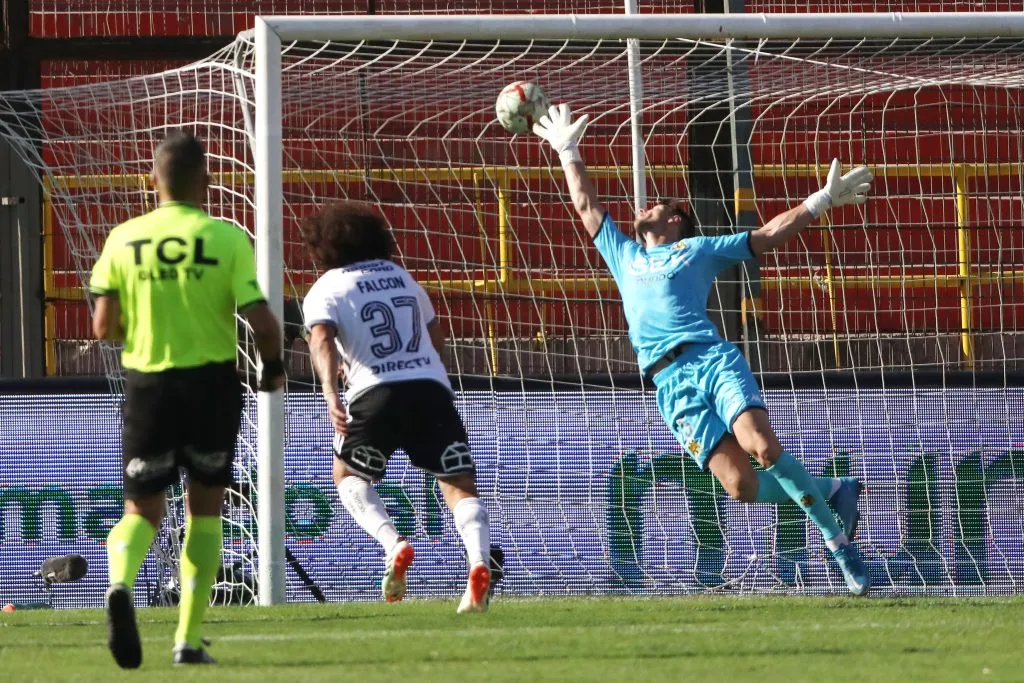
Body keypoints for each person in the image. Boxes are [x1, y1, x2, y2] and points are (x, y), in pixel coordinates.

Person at [534, 104, 874, 595]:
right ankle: (833, 492)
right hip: (668, 384)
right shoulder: (624, 255)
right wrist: (568, 150)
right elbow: (586, 206)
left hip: (710, 360)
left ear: (675, 219)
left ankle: (838, 542)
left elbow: (764, 236)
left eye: (656, 205)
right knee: (740, 486)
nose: (642, 207)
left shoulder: (695, 250)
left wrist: (819, 201)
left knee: (760, 443)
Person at [89, 131, 285, 667]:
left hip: (149, 387)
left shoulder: (122, 238)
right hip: (210, 388)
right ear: (207, 181)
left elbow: (104, 326)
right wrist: (272, 367)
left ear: (152, 181)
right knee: (204, 510)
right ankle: (187, 641)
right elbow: (263, 321)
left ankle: (119, 586)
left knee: (142, 509)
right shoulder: (225, 239)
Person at [300, 201, 492, 613]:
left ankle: (393, 544)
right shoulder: (402, 277)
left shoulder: (327, 287)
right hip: (430, 388)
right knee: (458, 482)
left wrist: (331, 393)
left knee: (348, 474)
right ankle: (478, 563)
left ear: (323, 247)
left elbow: (320, 340)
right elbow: (436, 336)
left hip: (374, 392)